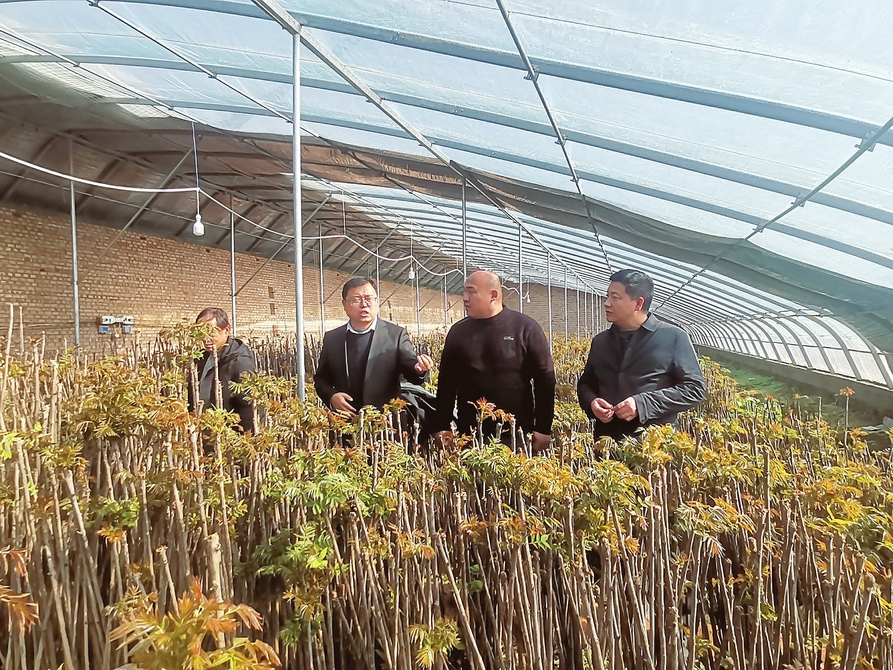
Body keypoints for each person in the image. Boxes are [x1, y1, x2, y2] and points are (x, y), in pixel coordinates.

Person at [577, 269, 706, 441]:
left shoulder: (673, 337)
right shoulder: (601, 342)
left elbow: (694, 389)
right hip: (606, 443)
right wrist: (592, 402)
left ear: (638, 303)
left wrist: (642, 404)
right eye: (607, 296)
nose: (606, 303)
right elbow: (586, 384)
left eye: (615, 297)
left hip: (653, 445)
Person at [432, 271, 555, 451]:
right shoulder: (458, 332)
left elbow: (545, 380)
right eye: (464, 291)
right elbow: (446, 384)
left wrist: (543, 428)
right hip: (470, 437)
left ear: (493, 295)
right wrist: (442, 426)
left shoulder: (525, 328)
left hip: (516, 436)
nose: (464, 298)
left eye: (471, 291)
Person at [313, 277, 433, 413]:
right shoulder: (333, 339)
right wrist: (331, 396)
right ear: (344, 304)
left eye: (369, 298)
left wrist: (419, 369)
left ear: (376, 301)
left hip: (386, 418)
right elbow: (321, 379)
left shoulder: (395, 335)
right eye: (356, 300)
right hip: (346, 418)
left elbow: (411, 368)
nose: (364, 305)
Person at [191, 307, 257, 434]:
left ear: (226, 330)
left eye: (211, 332)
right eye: (201, 332)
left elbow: (247, 409)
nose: (205, 338)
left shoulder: (240, 363)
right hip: (203, 432)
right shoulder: (202, 357)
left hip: (226, 435)